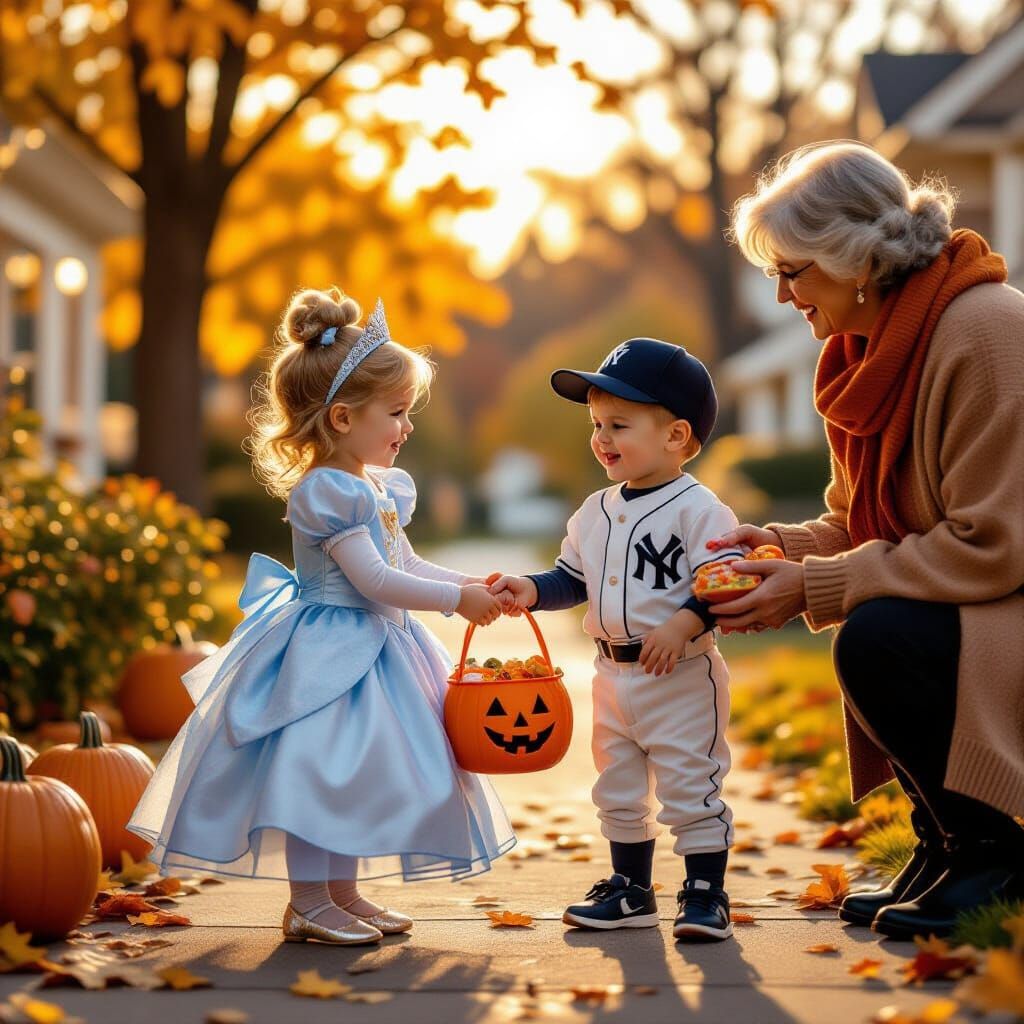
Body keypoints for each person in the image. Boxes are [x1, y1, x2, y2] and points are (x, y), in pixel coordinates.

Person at [127, 287, 514, 946]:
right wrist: (458, 603)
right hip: (329, 655)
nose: (408, 427)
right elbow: (371, 579)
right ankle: (308, 901)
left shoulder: (377, 486)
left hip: (377, 648)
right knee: (317, 771)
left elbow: (409, 563)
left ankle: (343, 894)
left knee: (357, 775)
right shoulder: (328, 491)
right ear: (341, 419)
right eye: (396, 413)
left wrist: (471, 583)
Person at [709, 141, 1024, 940]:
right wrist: (779, 549)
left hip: (1009, 595)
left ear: (855, 256)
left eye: (793, 270)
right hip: (989, 598)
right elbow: (862, 525)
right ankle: (951, 843)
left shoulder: (985, 331)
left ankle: (999, 855)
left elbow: (993, 543)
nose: (781, 296)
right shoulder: (865, 352)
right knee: (874, 622)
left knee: (878, 634)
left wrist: (820, 586)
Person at [490, 338, 744, 942]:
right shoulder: (594, 510)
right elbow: (571, 578)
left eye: (619, 424)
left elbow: (724, 579)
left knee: (691, 783)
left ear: (676, 436)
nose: (601, 437)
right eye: (596, 424)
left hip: (680, 675)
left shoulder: (700, 509)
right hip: (612, 676)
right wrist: (531, 587)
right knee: (618, 786)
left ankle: (706, 893)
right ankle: (631, 890)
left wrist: (686, 620)